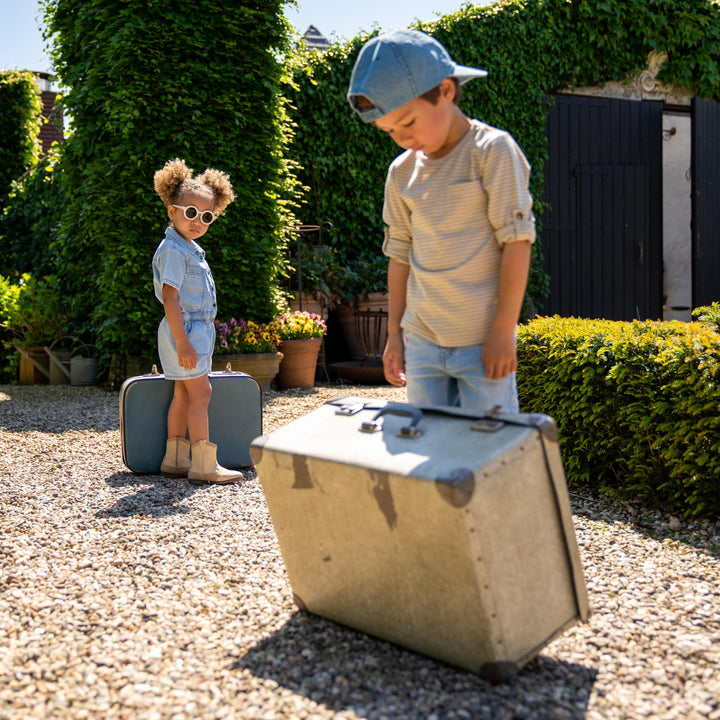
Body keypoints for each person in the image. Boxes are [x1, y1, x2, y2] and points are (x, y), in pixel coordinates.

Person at [347, 29, 536, 412]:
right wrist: (395, 335)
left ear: (446, 91)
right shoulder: (401, 173)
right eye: (389, 131)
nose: (401, 138)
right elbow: (399, 256)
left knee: (488, 457)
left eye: (409, 122)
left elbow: (517, 242)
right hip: (422, 345)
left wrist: (503, 331)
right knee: (432, 459)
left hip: (483, 344)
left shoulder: (492, 152)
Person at [152, 158, 242, 484]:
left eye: (206, 216)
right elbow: (170, 298)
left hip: (185, 329)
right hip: (185, 330)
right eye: (190, 212)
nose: (197, 221)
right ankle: (204, 464)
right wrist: (184, 342)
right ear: (171, 211)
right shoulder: (176, 251)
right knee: (201, 393)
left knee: (182, 392)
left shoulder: (185, 247)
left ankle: (175, 459)